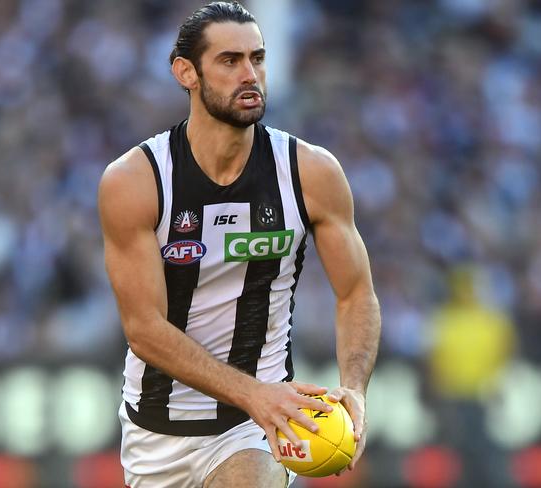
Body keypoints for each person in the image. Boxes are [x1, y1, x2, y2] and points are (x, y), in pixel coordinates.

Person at [98, 2, 380, 487]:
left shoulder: (310, 172)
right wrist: (253, 393)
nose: (250, 74)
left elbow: (356, 294)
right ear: (185, 72)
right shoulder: (137, 180)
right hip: (156, 430)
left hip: (256, 425)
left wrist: (353, 387)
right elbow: (143, 328)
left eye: (258, 58)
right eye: (230, 61)